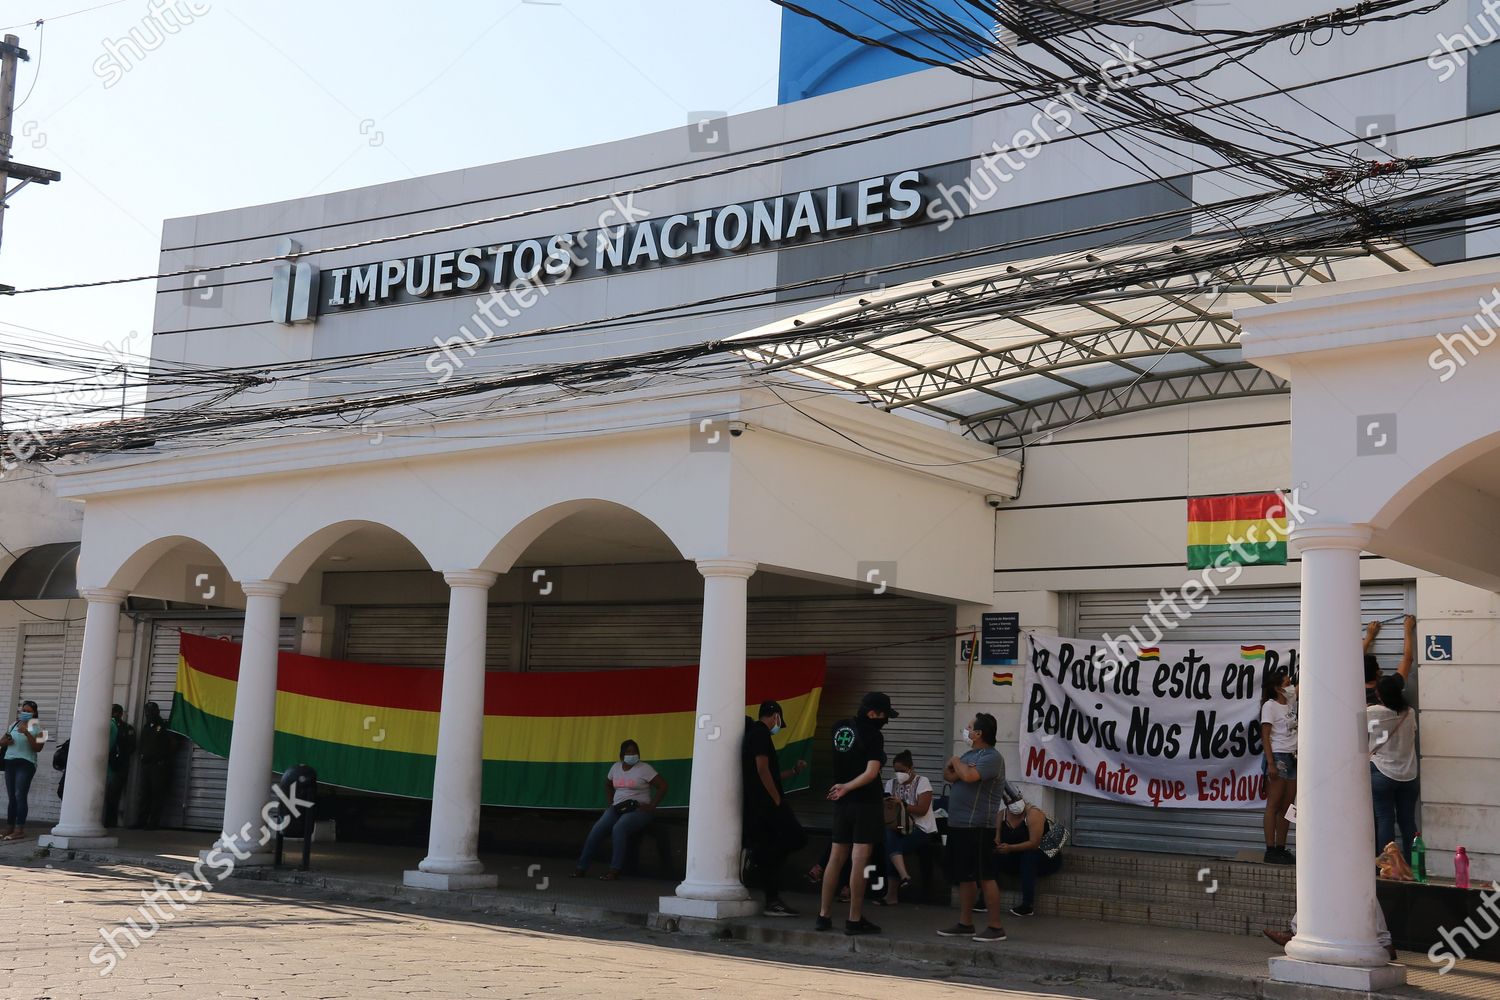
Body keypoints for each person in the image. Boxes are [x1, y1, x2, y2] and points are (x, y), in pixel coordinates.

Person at [816, 691, 895, 936]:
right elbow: (871, 772)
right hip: (865, 802)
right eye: (884, 715)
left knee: (835, 858)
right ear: (873, 713)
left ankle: (823, 915)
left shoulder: (839, 727)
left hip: (841, 803)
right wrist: (848, 787)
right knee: (860, 859)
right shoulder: (873, 734)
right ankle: (854, 919)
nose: (886, 720)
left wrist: (841, 789)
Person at [937, 712, 1008, 942]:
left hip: (977, 826)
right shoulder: (970, 755)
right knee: (964, 876)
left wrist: (956, 761)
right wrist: (957, 766)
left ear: (979, 733)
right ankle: (965, 923)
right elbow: (949, 776)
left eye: (969, 727)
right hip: (957, 824)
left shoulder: (991, 757)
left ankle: (995, 927)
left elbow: (966, 776)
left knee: (985, 875)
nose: (965, 730)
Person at [742, 700, 809, 917]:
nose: (778, 726)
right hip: (767, 805)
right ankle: (757, 857)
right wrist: (776, 799)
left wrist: (792, 772)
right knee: (797, 837)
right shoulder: (760, 734)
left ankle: (770, 892)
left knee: (773, 847)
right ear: (775, 716)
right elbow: (762, 770)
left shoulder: (754, 735)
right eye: (779, 721)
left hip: (761, 804)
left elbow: (767, 772)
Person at [573, 739, 666, 880]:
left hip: (639, 809)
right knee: (597, 829)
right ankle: (581, 868)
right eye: (628, 752)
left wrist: (652, 806)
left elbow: (663, 786)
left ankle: (614, 870)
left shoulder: (644, 768)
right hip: (618, 807)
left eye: (635, 751)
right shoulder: (615, 767)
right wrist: (610, 803)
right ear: (622, 755)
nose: (632, 754)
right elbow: (607, 784)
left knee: (619, 828)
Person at [1368, 674, 1419, 863]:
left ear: (1379, 694)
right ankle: (1414, 865)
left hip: (1382, 772)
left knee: (1385, 819)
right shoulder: (1410, 712)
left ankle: (1388, 867)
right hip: (1409, 775)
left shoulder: (1371, 712)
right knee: (1408, 822)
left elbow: (1358, 738)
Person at [994, 783, 1062, 916]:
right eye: (1011, 802)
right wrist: (998, 846)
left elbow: (1034, 843)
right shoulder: (1001, 816)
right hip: (1016, 858)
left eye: (1016, 800)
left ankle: (1027, 904)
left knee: (1029, 855)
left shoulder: (1033, 814)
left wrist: (1010, 848)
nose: (1014, 804)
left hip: (1043, 858)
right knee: (991, 855)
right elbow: (997, 838)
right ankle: (984, 899)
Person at [883, 750, 937, 903]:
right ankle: (903, 876)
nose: (898, 774)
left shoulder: (922, 782)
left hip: (921, 829)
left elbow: (922, 809)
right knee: (889, 837)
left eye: (902, 771)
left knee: (891, 846)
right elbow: (887, 812)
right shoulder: (890, 784)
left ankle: (892, 894)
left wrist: (902, 804)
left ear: (911, 768)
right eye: (896, 771)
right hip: (897, 827)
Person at [1259, 664, 1297, 865]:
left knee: (1289, 806)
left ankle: (1282, 847)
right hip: (1279, 756)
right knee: (1273, 805)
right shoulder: (1270, 706)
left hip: (1294, 756)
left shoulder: (1291, 703)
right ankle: (1270, 848)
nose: (1291, 686)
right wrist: (1271, 763)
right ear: (1277, 688)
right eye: (1287, 683)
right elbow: (1265, 736)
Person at [1, 701, 45, 841]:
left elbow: (38, 748)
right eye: (23, 709)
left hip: (26, 764)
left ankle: (19, 829)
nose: (24, 712)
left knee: (20, 795)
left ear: (34, 713)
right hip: (10, 762)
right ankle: (9, 827)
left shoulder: (41, 729)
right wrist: (5, 741)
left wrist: (27, 733)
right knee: (12, 797)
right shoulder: (13, 724)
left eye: (28, 710)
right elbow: (1, 741)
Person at [134, 701, 177, 830]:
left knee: (156, 795)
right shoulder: (147, 726)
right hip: (146, 766)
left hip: (159, 766)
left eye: (151, 711)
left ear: (157, 711)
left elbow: (173, 745)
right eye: (147, 711)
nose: (148, 714)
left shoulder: (164, 726)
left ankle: (153, 823)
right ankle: (141, 821)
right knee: (144, 794)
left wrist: (163, 758)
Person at [1363, 615, 1416, 705]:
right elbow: (1408, 659)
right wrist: (1408, 628)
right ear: (1379, 672)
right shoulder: (1389, 687)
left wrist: (1369, 636)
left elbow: (1356, 660)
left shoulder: (1353, 691)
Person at [104, 704, 135, 828]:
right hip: (106, 766)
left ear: (120, 713)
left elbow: (132, 747)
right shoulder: (109, 725)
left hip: (118, 766)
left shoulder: (127, 728)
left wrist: (119, 756)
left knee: (113, 796)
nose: (113, 715)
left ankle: (110, 822)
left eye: (115, 713)